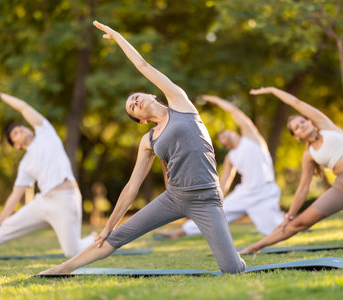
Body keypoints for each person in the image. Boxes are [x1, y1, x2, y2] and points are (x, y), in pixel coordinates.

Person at [39, 21, 246, 275]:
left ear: (150, 95)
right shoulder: (148, 141)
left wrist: (117, 38)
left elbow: (143, 66)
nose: (134, 101)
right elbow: (132, 187)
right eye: (131, 108)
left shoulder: (180, 103)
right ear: (141, 120)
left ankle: (235, 258)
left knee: (232, 269)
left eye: (135, 97)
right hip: (174, 198)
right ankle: (61, 269)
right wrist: (108, 227)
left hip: (207, 198)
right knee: (118, 236)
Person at [239, 87, 343, 254]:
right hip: (342, 190)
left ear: (309, 121)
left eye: (303, 122)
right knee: (298, 224)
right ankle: (253, 247)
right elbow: (302, 189)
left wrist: (273, 90)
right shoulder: (308, 155)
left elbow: (296, 102)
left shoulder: (327, 127)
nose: (302, 126)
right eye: (297, 128)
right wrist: (289, 216)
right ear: (296, 136)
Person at [0, 93, 95, 261]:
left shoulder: (45, 133)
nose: (18, 130)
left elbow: (24, 108)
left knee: (72, 252)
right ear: (17, 145)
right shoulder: (25, 164)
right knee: (5, 227)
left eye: (19, 128)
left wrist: (1, 96)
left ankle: (93, 238)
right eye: (14, 134)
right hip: (44, 201)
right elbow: (15, 195)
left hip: (65, 199)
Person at [155, 95, 284, 239]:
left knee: (275, 229)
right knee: (215, 214)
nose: (224, 137)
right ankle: (178, 233)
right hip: (244, 193)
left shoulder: (252, 138)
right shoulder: (231, 157)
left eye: (225, 134)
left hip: (265, 191)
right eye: (221, 139)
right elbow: (225, 182)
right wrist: (216, 200)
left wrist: (216, 100)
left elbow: (235, 111)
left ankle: (291, 221)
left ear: (234, 133)